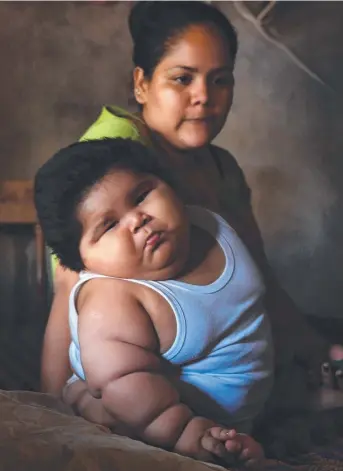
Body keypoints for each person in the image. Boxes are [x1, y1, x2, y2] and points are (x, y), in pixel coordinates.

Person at [41, 0, 342, 446]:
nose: (204, 95)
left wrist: (313, 348)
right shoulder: (113, 159)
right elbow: (73, 297)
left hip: (224, 355)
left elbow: (257, 274)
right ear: (141, 84)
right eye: (182, 78)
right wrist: (56, 411)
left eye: (220, 80)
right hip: (138, 377)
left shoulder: (221, 167)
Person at [35, 137, 273, 468]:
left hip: (245, 409)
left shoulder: (211, 225)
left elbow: (251, 311)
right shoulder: (112, 301)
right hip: (154, 414)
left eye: (142, 195)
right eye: (109, 225)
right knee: (108, 416)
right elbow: (125, 383)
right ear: (83, 262)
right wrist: (188, 435)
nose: (137, 220)